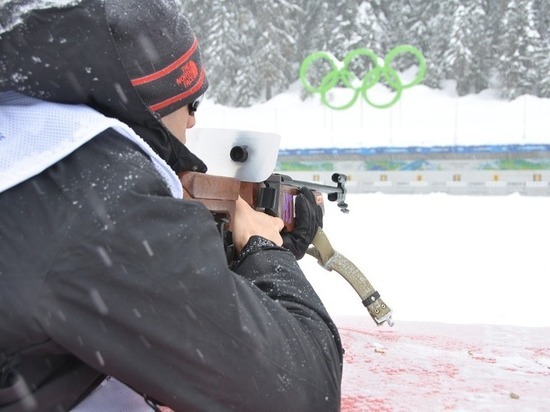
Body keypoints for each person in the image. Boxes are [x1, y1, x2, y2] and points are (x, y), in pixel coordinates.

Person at [0, 0, 343, 411]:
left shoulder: (33, 152)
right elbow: (304, 391)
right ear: (149, 103)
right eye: (192, 103)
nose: (194, 122)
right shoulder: (96, 202)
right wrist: (266, 253)